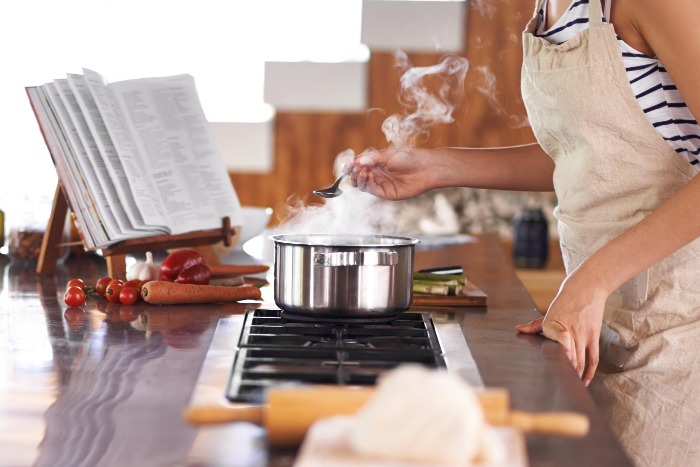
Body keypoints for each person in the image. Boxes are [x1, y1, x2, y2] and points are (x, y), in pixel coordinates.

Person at [345, 0, 700, 465]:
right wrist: (438, 166)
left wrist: (592, 280)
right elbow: (584, 153)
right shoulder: (549, 6)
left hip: (681, 322)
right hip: (600, 319)